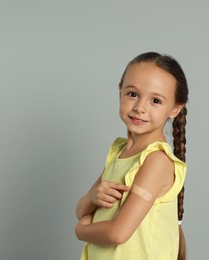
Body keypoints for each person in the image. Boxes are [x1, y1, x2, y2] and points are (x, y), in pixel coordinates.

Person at [75, 51, 189, 260]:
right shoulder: (120, 153)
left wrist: (81, 232)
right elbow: (81, 210)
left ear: (175, 109)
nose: (139, 108)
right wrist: (92, 198)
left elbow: (118, 233)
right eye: (133, 94)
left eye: (155, 100)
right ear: (120, 91)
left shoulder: (157, 160)